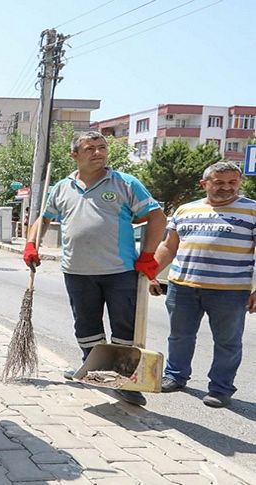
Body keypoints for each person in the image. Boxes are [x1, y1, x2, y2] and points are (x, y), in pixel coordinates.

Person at [23, 130, 166, 406]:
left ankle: (126, 381)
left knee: (125, 328)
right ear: (74, 155)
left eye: (102, 147)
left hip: (120, 271)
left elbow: (156, 217)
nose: (98, 153)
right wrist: (31, 244)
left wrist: (148, 255)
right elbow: (43, 219)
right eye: (90, 148)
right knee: (86, 325)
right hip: (76, 271)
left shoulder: (125, 183)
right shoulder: (61, 188)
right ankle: (93, 369)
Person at [150, 162, 256, 408]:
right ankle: (175, 376)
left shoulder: (252, 210)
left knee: (228, 341)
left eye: (232, 182)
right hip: (182, 287)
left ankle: (220, 388)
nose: (226, 187)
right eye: (219, 182)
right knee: (180, 336)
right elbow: (168, 246)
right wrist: (151, 273)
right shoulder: (186, 209)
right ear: (204, 184)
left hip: (230, 290)